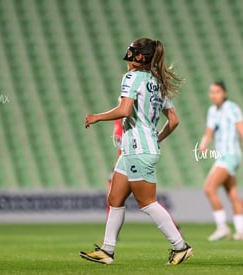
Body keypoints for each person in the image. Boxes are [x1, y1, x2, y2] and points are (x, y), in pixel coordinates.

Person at [80, 38, 193, 265]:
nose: (128, 54)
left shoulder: (131, 77)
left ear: (139, 57)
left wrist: (97, 117)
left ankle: (181, 247)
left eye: (131, 51)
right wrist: (157, 138)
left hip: (137, 149)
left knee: (147, 202)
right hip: (135, 148)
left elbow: (124, 110)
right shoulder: (157, 82)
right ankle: (107, 250)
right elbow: (174, 120)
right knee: (115, 198)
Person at [199, 81, 243, 241]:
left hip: (230, 155)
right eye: (211, 92)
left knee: (209, 188)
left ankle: (222, 227)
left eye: (217, 91)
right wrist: (204, 145)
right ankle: (241, 231)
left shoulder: (232, 108)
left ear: (224, 93)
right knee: (232, 193)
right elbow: (209, 132)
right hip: (221, 155)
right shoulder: (212, 111)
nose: (213, 95)